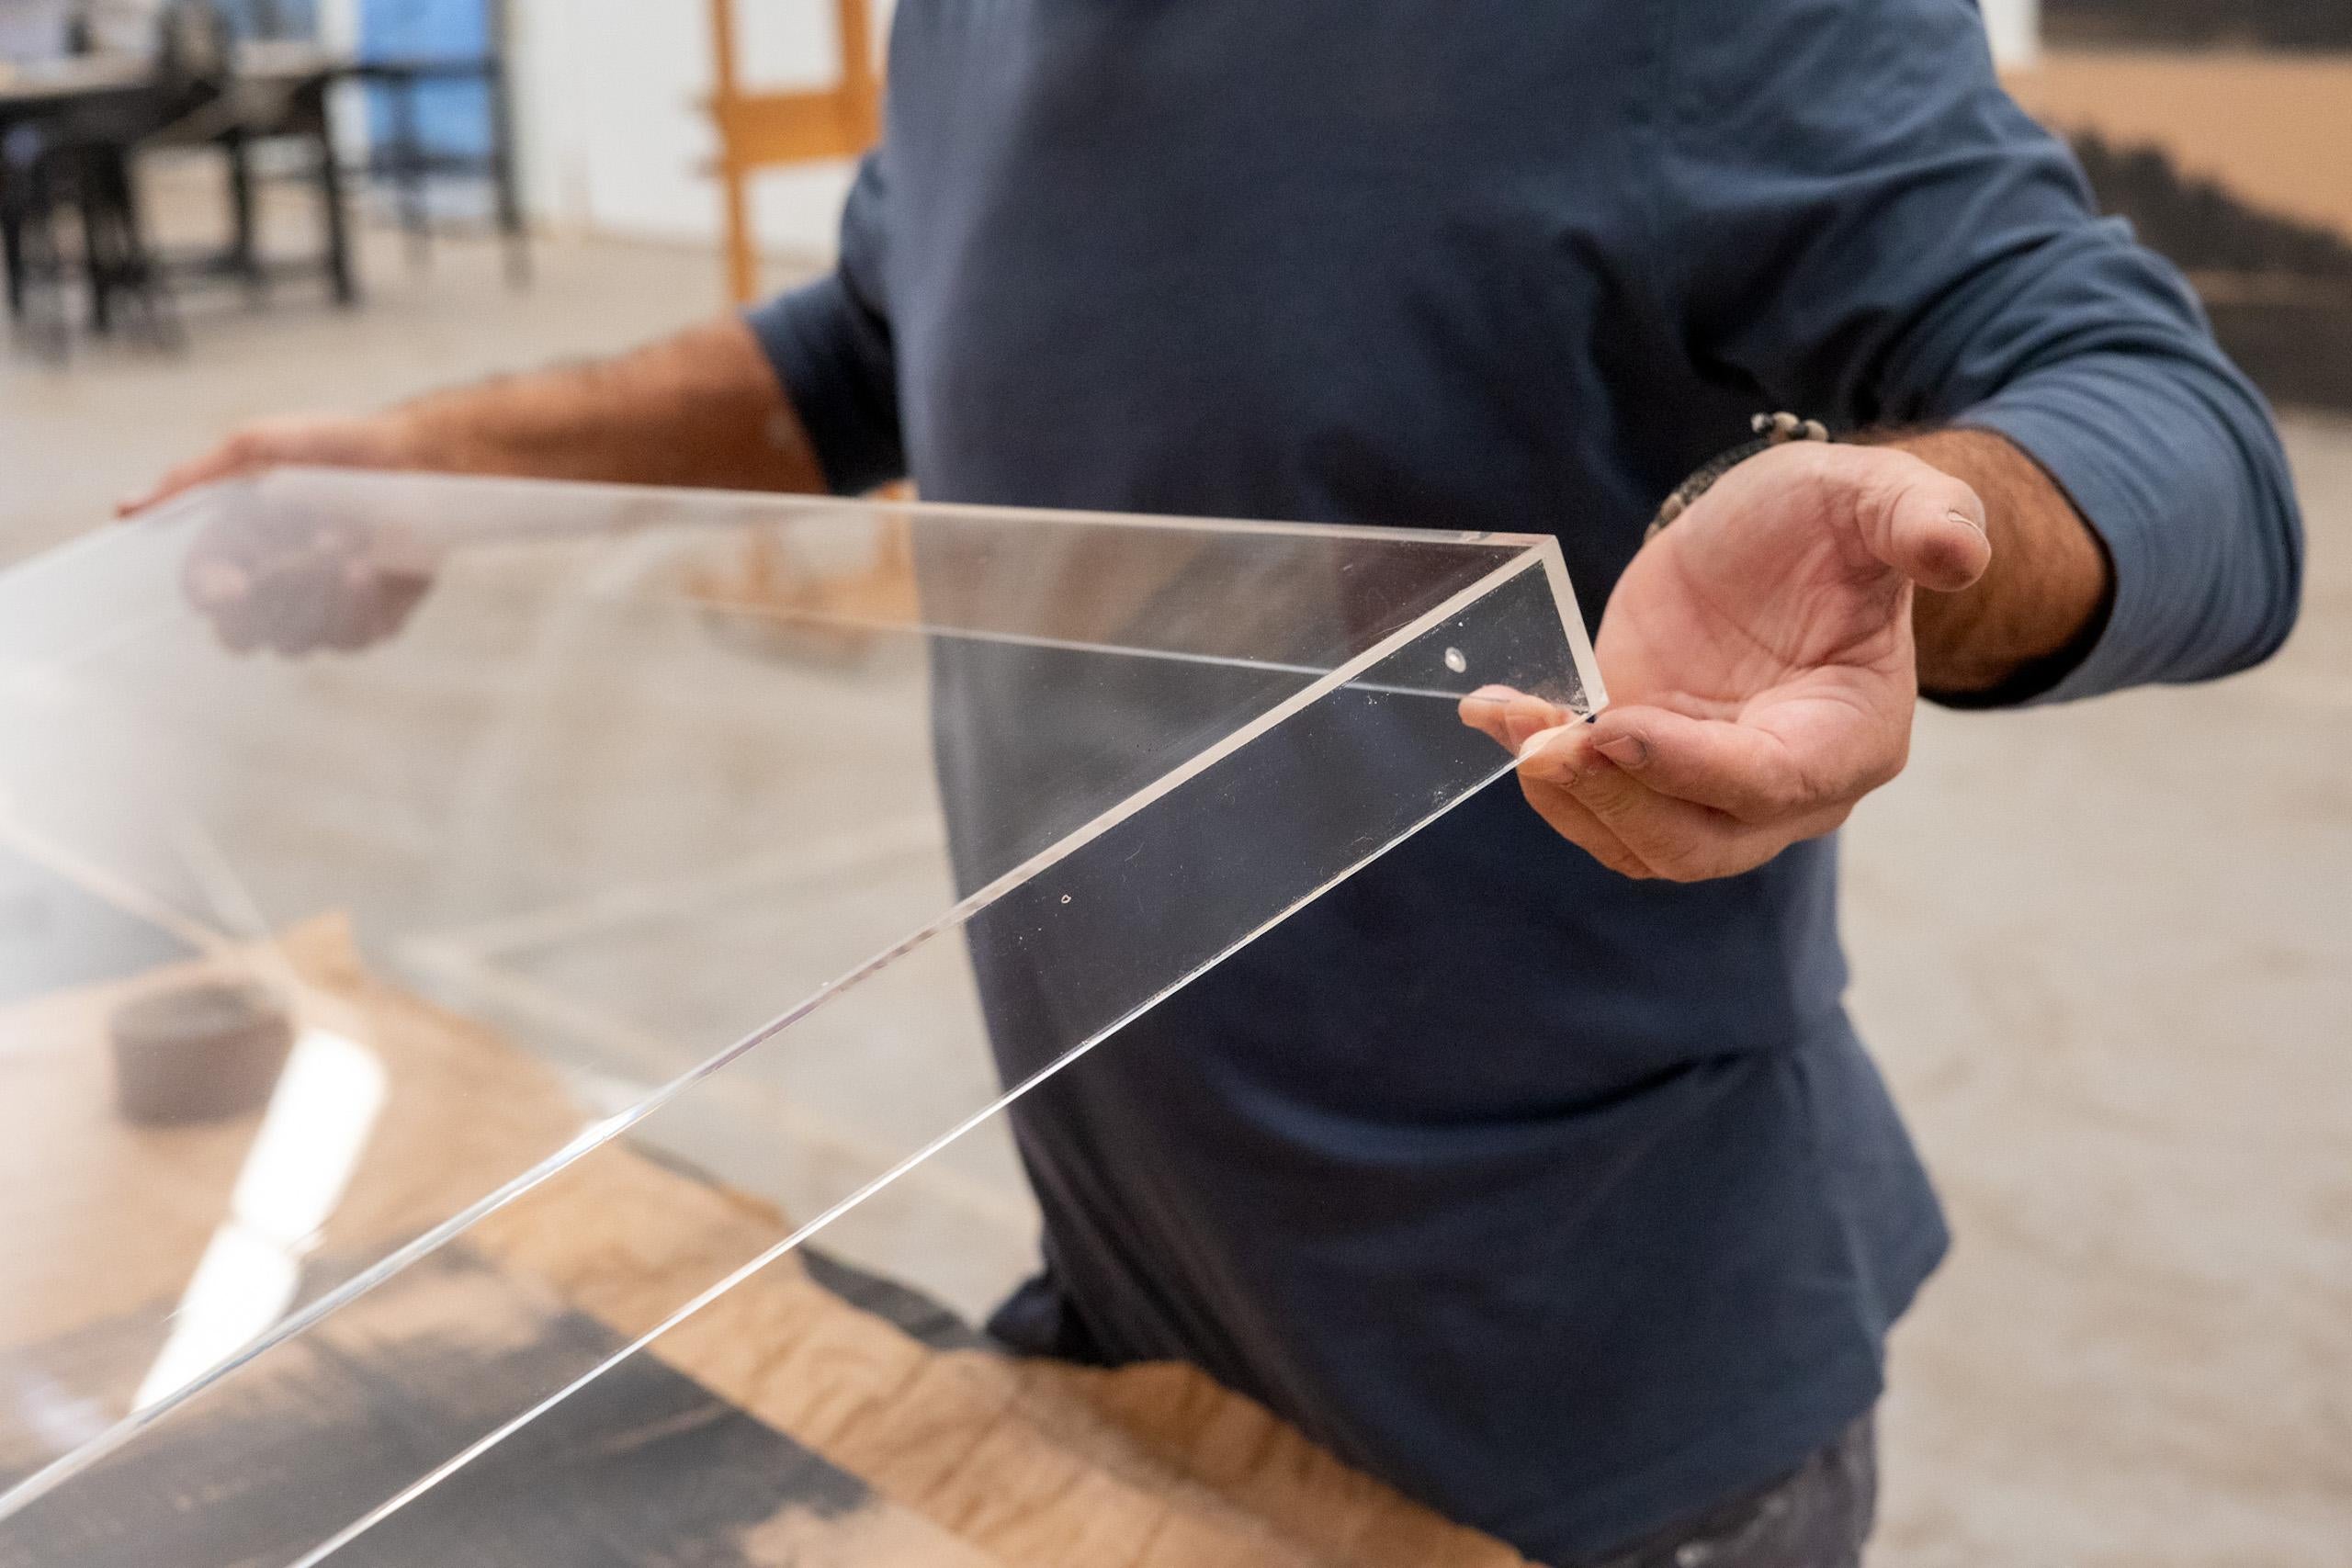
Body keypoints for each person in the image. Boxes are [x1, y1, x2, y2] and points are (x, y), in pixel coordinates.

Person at [128, 2, 2303, 1562]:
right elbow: (876, 341)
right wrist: (426, 472)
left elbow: (2172, 429)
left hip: (1571, 1408)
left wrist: (1933, 512)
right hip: (1127, 1282)